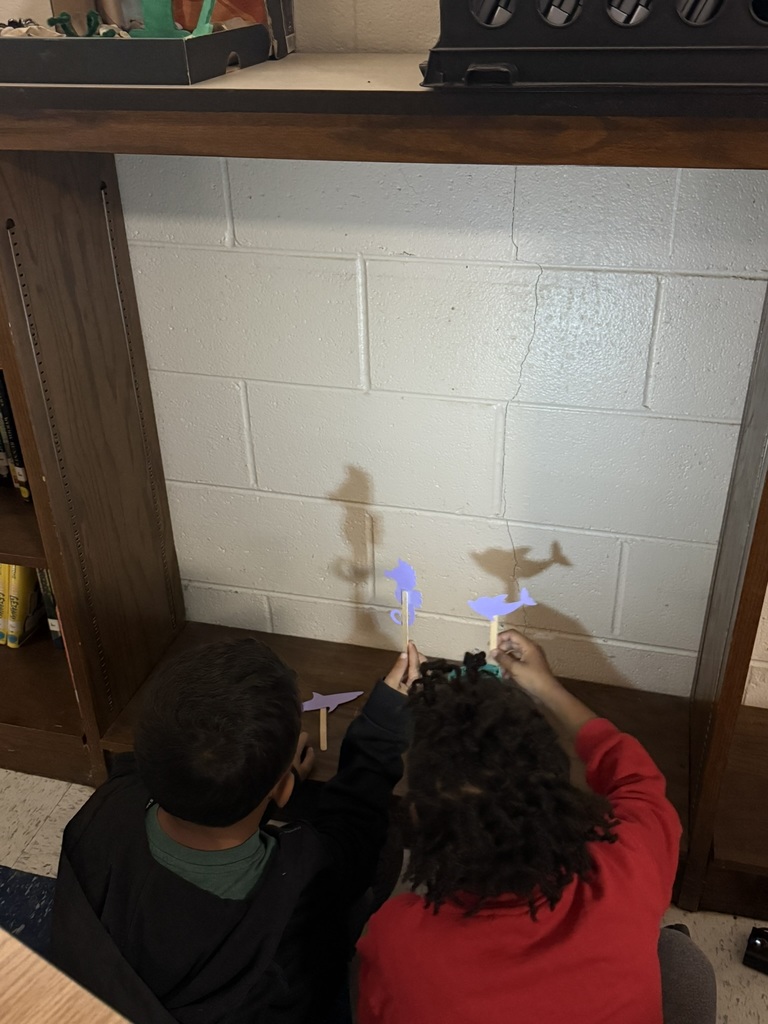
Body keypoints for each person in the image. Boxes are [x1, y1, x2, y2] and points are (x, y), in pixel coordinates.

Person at [51, 636, 423, 1024]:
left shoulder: (110, 802)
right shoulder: (303, 878)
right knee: (381, 853)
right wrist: (382, 725)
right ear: (283, 789)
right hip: (256, 997)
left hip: (108, 991)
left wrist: (274, 777)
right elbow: (356, 825)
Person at [357, 630, 717, 1024]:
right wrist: (547, 687)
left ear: (417, 818)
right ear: (562, 796)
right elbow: (638, 782)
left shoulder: (397, 942)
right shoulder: (627, 869)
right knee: (682, 960)